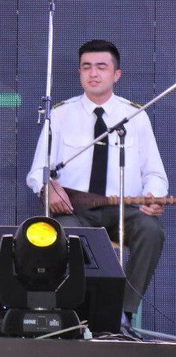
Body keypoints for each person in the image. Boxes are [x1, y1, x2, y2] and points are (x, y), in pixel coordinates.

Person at [27, 39, 167, 332]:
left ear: (116, 74)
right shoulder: (61, 115)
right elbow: (38, 171)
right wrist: (48, 186)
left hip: (122, 210)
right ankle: (76, 315)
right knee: (63, 234)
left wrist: (154, 196)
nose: (93, 73)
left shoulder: (135, 116)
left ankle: (122, 312)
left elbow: (155, 173)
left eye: (101, 67)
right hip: (75, 211)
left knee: (151, 230)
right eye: (86, 67)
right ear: (79, 73)